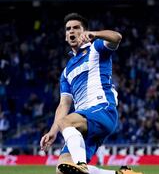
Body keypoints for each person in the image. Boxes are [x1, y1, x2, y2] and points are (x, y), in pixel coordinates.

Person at [39, 13, 142, 174]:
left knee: (66, 122)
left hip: (102, 109)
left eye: (76, 28)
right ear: (66, 37)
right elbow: (63, 104)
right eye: (68, 29)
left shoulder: (96, 48)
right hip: (84, 123)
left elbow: (117, 37)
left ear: (84, 32)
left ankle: (81, 164)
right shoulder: (66, 72)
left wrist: (96, 34)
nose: (72, 31)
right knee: (62, 168)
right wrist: (53, 131)